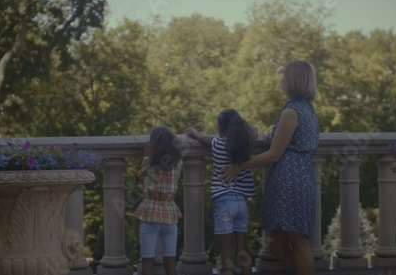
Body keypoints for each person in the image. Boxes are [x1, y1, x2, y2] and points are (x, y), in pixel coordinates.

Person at [222, 60, 319, 275]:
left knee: (298, 241)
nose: (282, 80)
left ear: (293, 80)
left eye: (285, 76)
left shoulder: (291, 112)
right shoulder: (307, 109)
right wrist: (271, 135)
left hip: (290, 180)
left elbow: (274, 154)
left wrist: (240, 166)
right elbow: (288, 139)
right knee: (275, 242)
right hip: (300, 176)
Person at [187, 109, 257, 275]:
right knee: (243, 252)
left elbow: (203, 138)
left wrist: (194, 132)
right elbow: (255, 130)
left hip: (224, 201)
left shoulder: (217, 144)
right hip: (241, 203)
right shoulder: (244, 144)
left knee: (227, 258)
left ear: (220, 127)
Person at [134, 126, 183, 275]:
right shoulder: (178, 163)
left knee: (147, 260)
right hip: (170, 212)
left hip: (150, 212)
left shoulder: (150, 163)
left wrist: (146, 155)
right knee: (170, 260)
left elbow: (138, 177)